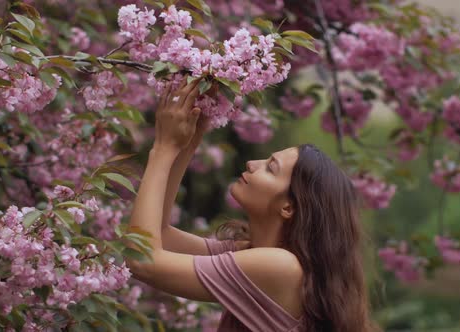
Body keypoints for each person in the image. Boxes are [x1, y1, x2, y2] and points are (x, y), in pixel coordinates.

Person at [126, 78, 377, 332]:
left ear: (288, 207)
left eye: (270, 168)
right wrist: (188, 142)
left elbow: (141, 261)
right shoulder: (254, 254)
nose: (252, 163)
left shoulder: (281, 266)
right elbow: (161, 235)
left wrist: (162, 148)